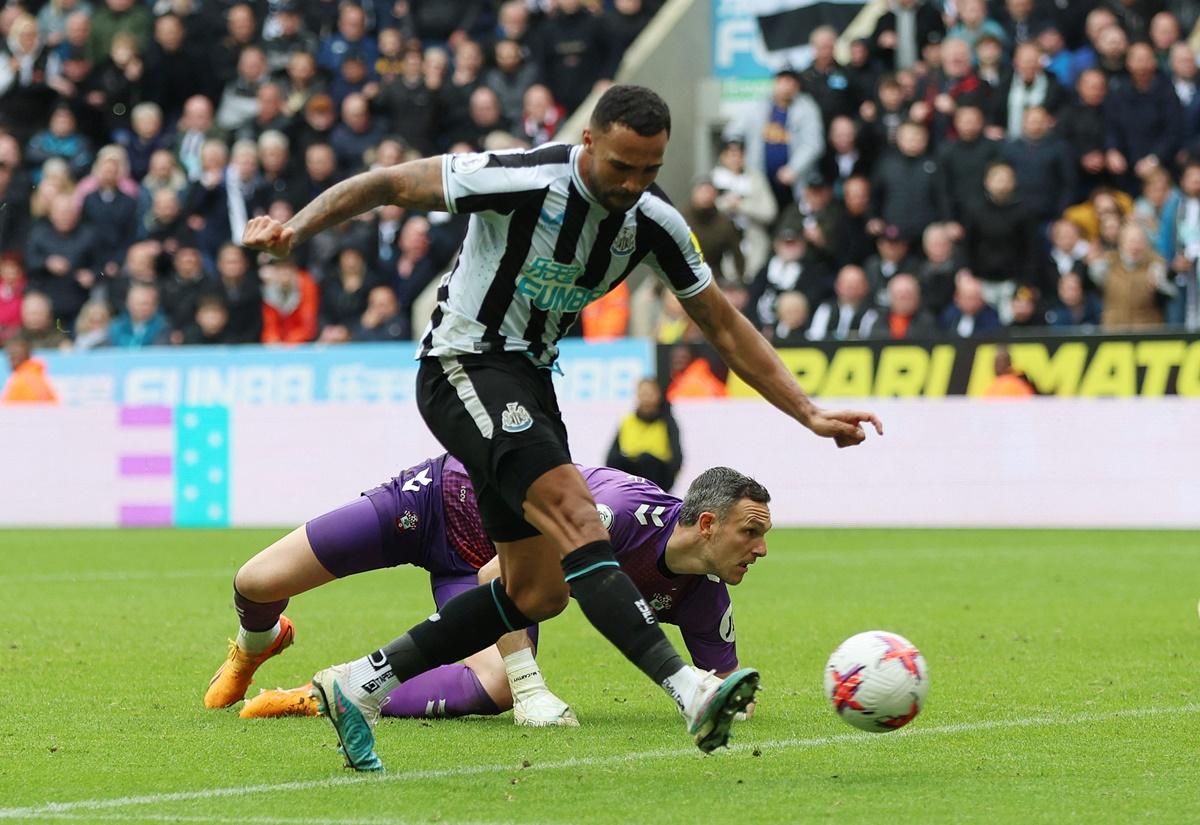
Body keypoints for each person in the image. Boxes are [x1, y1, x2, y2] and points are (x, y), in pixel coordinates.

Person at [243, 84, 881, 771]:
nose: (633, 184)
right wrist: (297, 228)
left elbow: (722, 323)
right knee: (581, 517)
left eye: (650, 171)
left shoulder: (654, 224)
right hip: (463, 364)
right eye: (621, 167)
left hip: (532, 383)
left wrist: (808, 410)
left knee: (536, 591)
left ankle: (357, 683)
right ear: (588, 143)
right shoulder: (520, 179)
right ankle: (689, 688)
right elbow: (392, 182)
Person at [230, 456, 767, 734]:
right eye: (751, 532)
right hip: (437, 501)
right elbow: (496, 578)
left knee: (492, 689)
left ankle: (319, 695)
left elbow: (726, 691)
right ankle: (256, 644)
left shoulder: (706, 599)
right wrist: (531, 687)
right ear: (705, 524)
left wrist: (722, 702)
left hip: (489, 565)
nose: (761, 549)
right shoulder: (618, 515)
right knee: (255, 582)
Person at [606, 378, 683, 492]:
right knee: (617, 460)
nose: (646, 399)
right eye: (643, 394)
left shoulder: (666, 422)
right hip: (633, 473)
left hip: (658, 475)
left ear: (658, 396)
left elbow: (677, 457)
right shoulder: (627, 421)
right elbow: (611, 457)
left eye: (650, 394)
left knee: (646, 460)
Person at [1, 336, 59, 403]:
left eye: (15, 354)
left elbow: (7, 408)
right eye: (9, 354)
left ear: (27, 354)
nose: (11, 357)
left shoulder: (22, 380)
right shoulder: (36, 376)